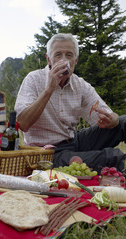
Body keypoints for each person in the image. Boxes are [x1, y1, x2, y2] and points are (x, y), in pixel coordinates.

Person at [15, 33, 126, 174]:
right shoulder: (33, 79)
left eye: (69, 55)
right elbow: (23, 124)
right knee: (112, 157)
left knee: (124, 123)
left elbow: (112, 117)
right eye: (58, 55)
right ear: (49, 59)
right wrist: (49, 89)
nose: (63, 60)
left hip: (74, 141)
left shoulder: (80, 84)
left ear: (76, 60)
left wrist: (112, 120)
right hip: (47, 153)